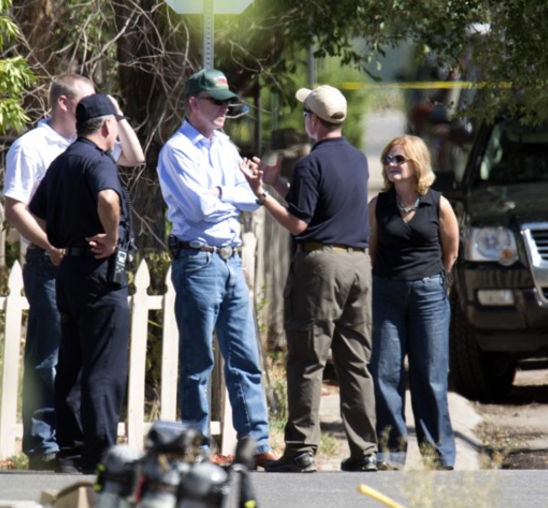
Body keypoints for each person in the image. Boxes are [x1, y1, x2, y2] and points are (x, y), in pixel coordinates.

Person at [2, 74, 144, 470]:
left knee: (71, 362)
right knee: (94, 364)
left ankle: (68, 447)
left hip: (70, 268)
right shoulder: (55, 151)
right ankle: (90, 450)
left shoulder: (67, 157)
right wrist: (106, 237)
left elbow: (43, 207)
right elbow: (107, 198)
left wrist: (65, 239)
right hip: (81, 268)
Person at [248, 85, 378, 473]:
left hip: (321, 266)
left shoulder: (310, 163)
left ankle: (301, 448)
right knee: (356, 361)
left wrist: (261, 194)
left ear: (313, 121)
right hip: (358, 264)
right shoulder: (355, 160)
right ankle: (364, 451)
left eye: (306, 113)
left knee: (308, 357)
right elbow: (321, 205)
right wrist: (278, 182)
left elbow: (300, 222)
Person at [156, 68, 278, 468]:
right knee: (197, 362)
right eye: (216, 102)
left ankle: (255, 444)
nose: (225, 109)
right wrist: (233, 193)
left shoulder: (224, 144)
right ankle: (197, 449)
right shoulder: (176, 150)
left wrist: (227, 193)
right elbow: (198, 207)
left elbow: (251, 196)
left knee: (244, 356)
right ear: (193, 103)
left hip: (229, 256)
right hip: (198, 258)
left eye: (227, 102)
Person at [367, 135, 459, 470]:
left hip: (429, 294)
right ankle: (390, 453)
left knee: (430, 374)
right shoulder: (379, 205)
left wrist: (434, 279)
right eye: (389, 159)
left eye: (399, 159)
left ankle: (438, 455)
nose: (392, 165)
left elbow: (451, 252)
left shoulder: (438, 204)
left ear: (416, 164)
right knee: (385, 372)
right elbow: (373, 249)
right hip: (387, 292)